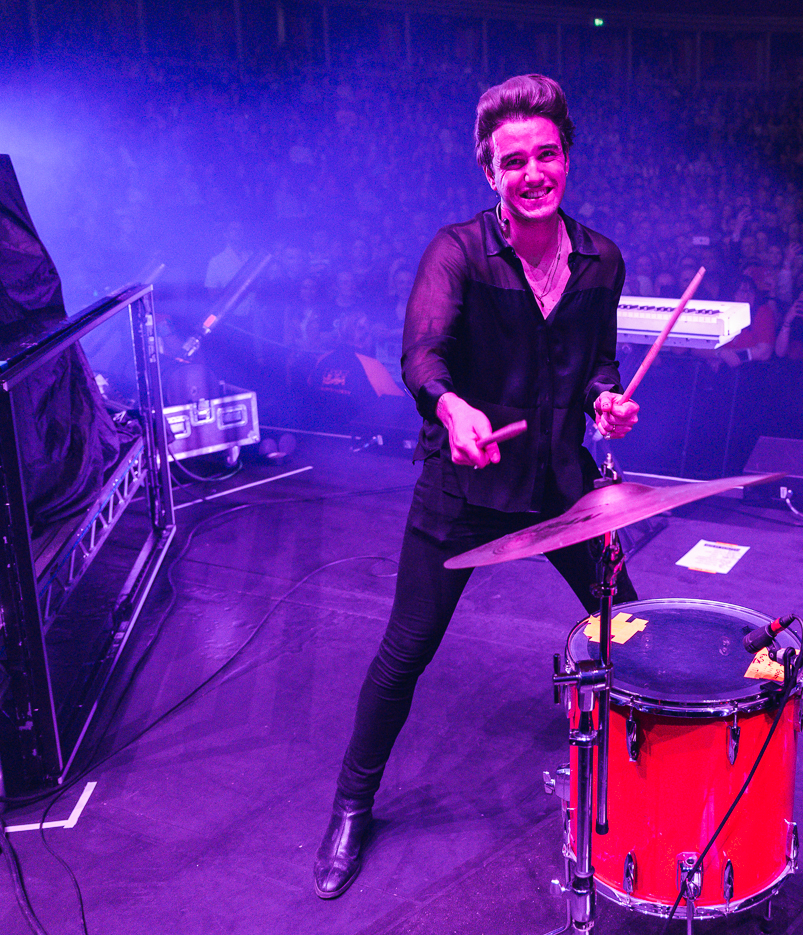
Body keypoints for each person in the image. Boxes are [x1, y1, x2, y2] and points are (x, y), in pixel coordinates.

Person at [313, 74, 641, 901]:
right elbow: (422, 355)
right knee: (406, 650)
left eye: (548, 155)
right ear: (489, 173)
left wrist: (606, 399)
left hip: (565, 485)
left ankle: (644, 793)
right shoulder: (456, 252)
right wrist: (451, 405)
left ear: (567, 158)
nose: (534, 173)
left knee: (630, 630)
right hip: (463, 490)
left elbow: (597, 359)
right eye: (514, 161)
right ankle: (353, 804)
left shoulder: (603, 258)